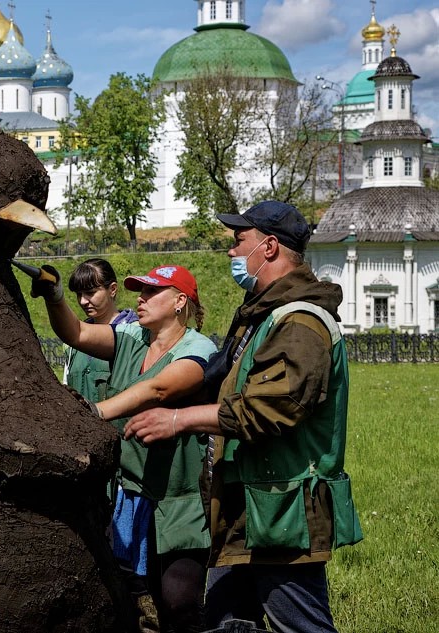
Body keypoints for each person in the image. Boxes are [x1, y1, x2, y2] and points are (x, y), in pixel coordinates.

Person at [125, 201, 363, 633]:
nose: (232, 253)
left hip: (282, 516)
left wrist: (178, 421)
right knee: (226, 623)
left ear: (269, 247)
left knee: (302, 626)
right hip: (246, 510)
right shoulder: (261, 316)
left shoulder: (300, 322)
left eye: (239, 242)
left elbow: (271, 408)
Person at [29, 262, 216, 633]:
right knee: (138, 594)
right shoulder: (130, 337)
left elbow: (157, 389)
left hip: (179, 498)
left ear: (180, 301)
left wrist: (94, 412)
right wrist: (55, 298)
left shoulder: (200, 348)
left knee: (178, 599)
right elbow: (77, 333)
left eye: (151, 292)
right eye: (139, 291)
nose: (140, 299)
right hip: (132, 491)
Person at [63, 258, 137, 400]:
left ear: (113, 289)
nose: (83, 301)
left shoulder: (136, 336)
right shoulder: (71, 343)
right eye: (79, 294)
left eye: (90, 293)